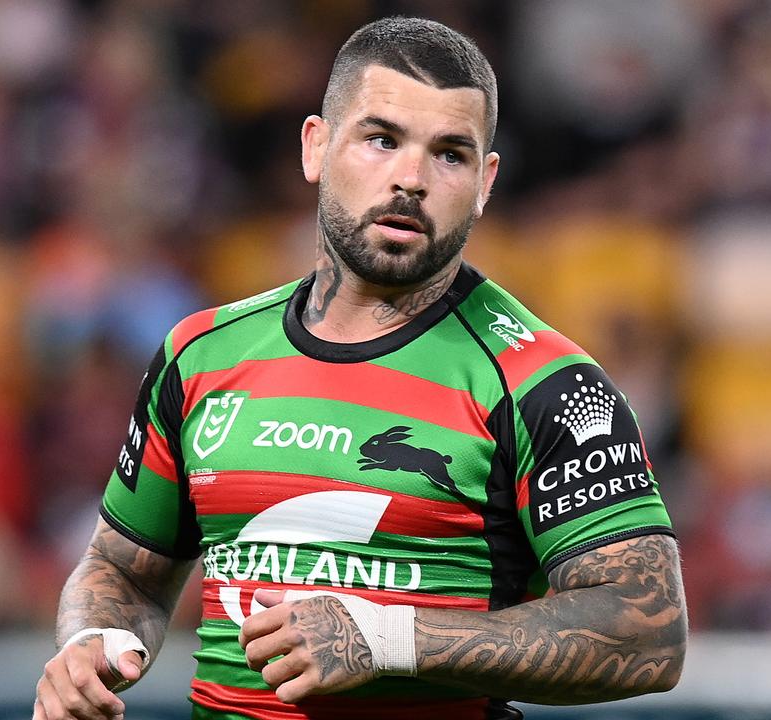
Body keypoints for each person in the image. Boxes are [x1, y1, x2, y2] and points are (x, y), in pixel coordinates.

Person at [33, 16, 686, 720]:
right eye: (382, 139)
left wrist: (389, 638)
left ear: (486, 181)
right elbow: (124, 572)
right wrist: (93, 644)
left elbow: (649, 631)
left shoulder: (543, 385)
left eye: (451, 155)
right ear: (316, 147)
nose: (411, 178)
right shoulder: (201, 356)